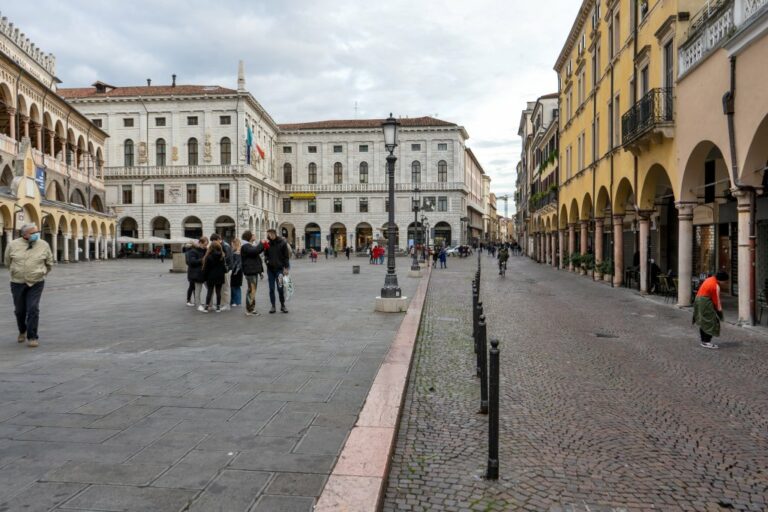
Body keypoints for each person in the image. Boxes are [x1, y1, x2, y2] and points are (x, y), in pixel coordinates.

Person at [4, 223, 53, 348]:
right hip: (17, 282)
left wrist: (42, 273)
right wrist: (16, 271)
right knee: (19, 310)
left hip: (36, 282)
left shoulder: (44, 245)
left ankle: (32, 337)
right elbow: (7, 262)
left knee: (33, 308)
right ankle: (22, 330)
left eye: (37, 232)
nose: (37, 234)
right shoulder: (13, 245)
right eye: (33, 232)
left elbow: (49, 263)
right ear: (25, 234)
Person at [693, 271, 729, 349]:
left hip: (698, 300)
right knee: (711, 321)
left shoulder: (709, 279)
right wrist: (720, 313)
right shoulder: (715, 286)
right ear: (721, 280)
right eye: (725, 281)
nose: (726, 283)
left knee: (704, 321)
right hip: (705, 302)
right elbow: (717, 301)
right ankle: (706, 342)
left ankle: (704, 341)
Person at [264, 228, 291, 314]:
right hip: (270, 270)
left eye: (271, 234)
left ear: (275, 234)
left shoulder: (282, 243)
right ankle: (273, 306)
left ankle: (283, 305)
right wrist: (267, 261)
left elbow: (286, 257)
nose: (270, 236)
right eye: (269, 234)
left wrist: (286, 268)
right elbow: (265, 255)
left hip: (279, 270)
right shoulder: (267, 244)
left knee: (280, 288)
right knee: (271, 288)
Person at [241, 230, 266, 316]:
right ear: (249, 237)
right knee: (252, 290)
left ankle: (251, 308)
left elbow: (256, 252)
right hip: (250, 271)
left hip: (252, 270)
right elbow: (255, 251)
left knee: (252, 290)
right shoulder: (246, 246)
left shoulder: (249, 245)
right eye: (252, 235)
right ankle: (250, 310)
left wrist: (260, 271)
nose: (254, 235)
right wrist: (261, 243)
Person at [202, 240, 227, 313]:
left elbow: (206, 268)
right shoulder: (222, 255)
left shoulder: (208, 256)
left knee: (210, 291)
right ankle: (218, 308)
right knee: (218, 292)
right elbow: (224, 267)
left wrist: (204, 277)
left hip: (211, 276)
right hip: (220, 276)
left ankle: (206, 307)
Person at [210, 233, 233, 311]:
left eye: (213, 241)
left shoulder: (225, 246)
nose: (213, 243)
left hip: (226, 270)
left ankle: (226, 304)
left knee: (225, 287)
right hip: (224, 269)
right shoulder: (223, 245)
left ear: (217, 240)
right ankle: (223, 303)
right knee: (223, 288)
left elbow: (227, 258)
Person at [186, 238, 207, 307]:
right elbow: (190, 262)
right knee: (192, 287)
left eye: (206, 245)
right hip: (193, 273)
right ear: (199, 243)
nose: (205, 246)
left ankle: (196, 301)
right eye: (204, 244)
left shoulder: (204, 250)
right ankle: (189, 300)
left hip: (201, 273)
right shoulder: (192, 251)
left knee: (196, 288)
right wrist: (202, 260)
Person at [230, 238, 243, 308]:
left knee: (234, 287)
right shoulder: (238, 251)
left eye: (232, 244)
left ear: (235, 244)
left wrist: (233, 271)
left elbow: (237, 263)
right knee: (237, 287)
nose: (231, 245)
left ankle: (235, 301)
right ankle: (238, 301)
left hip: (236, 272)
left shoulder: (237, 252)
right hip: (238, 271)